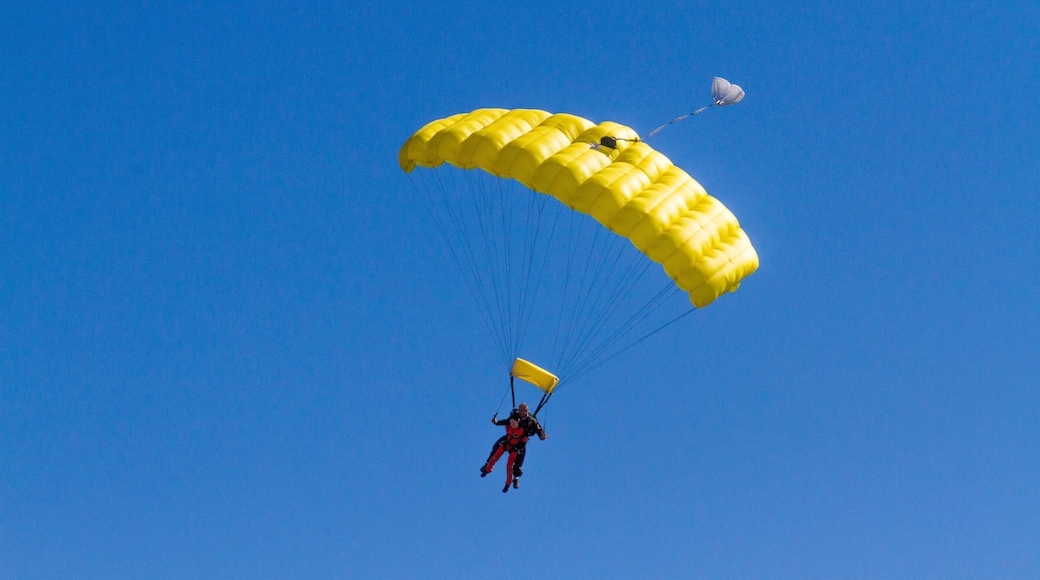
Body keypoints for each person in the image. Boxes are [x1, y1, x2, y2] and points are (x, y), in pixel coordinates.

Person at [480, 402, 547, 492]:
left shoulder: (532, 421)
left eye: (521, 410)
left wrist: (542, 436)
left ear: (526, 411)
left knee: (518, 462)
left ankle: (515, 479)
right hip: (510, 438)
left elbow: (539, 432)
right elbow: (507, 421)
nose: (519, 412)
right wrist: (496, 422)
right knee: (496, 447)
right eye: (519, 410)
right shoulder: (515, 415)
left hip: (520, 443)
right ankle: (487, 464)